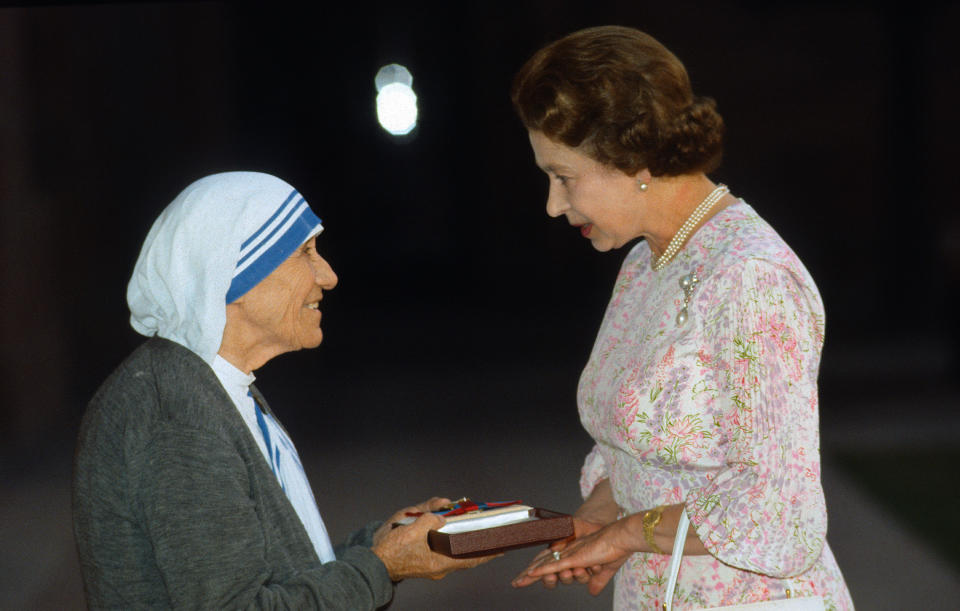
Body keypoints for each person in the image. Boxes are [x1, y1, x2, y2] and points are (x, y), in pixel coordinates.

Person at [508, 26, 853, 610]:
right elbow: (664, 447)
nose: (553, 204)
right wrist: (600, 514)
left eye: (564, 177)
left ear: (634, 158)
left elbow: (778, 507)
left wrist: (627, 534)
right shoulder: (647, 262)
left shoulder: (750, 277)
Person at [72, 171, 492, 609]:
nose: (328, 276)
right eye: (304, 252)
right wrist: (383, 567)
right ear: (231, 275)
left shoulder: (211, 385)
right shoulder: (176, 413)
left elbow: (279, 570)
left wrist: (384, 544)